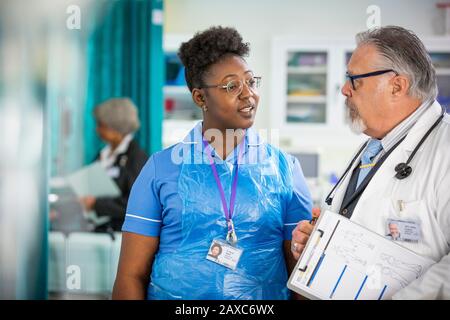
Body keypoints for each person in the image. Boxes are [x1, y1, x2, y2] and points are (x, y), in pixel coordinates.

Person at [112, 26, 312, 300]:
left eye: (251, 82)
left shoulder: (285, 169)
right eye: (232, 86)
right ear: (200, 97)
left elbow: (301, 275)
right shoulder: (161, 169)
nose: (248, 94)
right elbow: (130, 276)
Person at [291, 26, 450, 300]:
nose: (343, 89)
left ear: (397, 86)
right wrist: (318, 241)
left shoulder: (444, 149)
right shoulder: (375, 147)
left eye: (354, 79)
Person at [80, 97, 148, 231]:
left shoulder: (136, 158)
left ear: (117, 128)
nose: (97, 130)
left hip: (121, 233)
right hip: (99, 227)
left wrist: (96, 204)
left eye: (101, 125)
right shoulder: (103, 154)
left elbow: (135, 203)